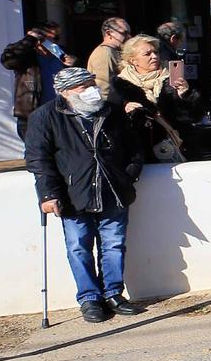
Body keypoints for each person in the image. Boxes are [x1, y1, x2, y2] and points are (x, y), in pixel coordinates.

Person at [23, 67, 146, 324]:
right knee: (78, 246)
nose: (92, 90)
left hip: (112, 189)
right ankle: (90, 298)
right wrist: (48, 194)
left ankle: (113, 293)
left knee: (113, 244)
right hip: (72, 194)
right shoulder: (44, 116)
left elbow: (134, 146)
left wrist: (129, 175)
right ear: (65, 92)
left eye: (92, 84)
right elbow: (38, 159)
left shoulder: (111, 111)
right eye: (84, 86)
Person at [110, 33, 207, 161]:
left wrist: (186, 95)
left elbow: (195, 116)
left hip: (178, 149)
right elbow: (111, 121)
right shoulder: (120, 85)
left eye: (155, 52)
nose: (154, 56)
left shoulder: (171, 79)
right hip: (140, 153)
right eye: (147, 54)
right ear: (133, 60)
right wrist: (125, 110)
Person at [86, 17, 131, 99]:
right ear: (109, 33)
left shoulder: (115, 51)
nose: (129, 37)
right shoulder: (103, 53)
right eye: (124, 33)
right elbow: (104, 88)